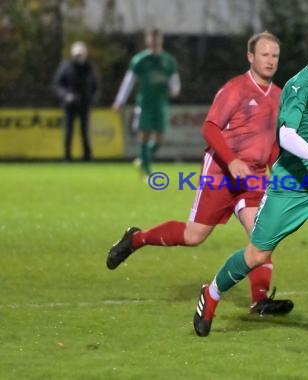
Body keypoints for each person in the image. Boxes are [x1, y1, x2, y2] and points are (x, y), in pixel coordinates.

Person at [193, 20, 308, 344]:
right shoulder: (298, 86)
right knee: (257, 255)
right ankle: (212, 292)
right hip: (291, 185)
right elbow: (287, 136)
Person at [106, 31, 294, 316]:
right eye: (264, 54)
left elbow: (271, 144)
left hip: (253, 178)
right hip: (221, 171)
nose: (270, 60)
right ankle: (136, 238)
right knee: (194, 236)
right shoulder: (235, 89)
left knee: (263, 237)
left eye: (275, 55)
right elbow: (210, 128)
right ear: (251, 56)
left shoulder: (280, 97)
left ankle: (259, 300)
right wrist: (231, 161)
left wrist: (278, 172)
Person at [112, 29, 180, 177]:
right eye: (152, 39)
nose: (155, 42)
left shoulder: (168, 60)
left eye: (157, 39)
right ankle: (147, 171)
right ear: (148, 41)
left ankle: (142, 159)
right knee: (145, 134)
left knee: (160, 139)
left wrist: (175, 89)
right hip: (145, 103)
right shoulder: (140, 60)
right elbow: (128, 82)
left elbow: (174, 80)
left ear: (161, 40)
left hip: (161, 103)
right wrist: (119, 100)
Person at [54, 41, 100, 161]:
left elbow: (96, 86)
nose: (79, 57)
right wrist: (66, 96)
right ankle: (67, 155)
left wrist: (92, 99)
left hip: (84, 104)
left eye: (81, 54)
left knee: (85, 132)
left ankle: (87, 155)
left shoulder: (89, 68)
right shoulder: (65, 67)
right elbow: (58, 85)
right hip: (69, 105)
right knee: (68, 131)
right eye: (77, 55)